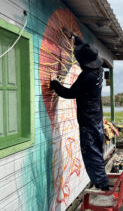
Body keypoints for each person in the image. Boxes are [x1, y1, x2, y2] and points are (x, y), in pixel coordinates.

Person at [49, 28, 109, 191]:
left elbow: (69, 93)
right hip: (96, 118)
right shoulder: (99, 71)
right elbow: (87, 52)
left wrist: (54, 83)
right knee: (97, 150)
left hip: (88, 122)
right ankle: (102, 179)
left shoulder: (87, 76)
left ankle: (103, 185)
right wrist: (76, 38)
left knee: (90, 153)